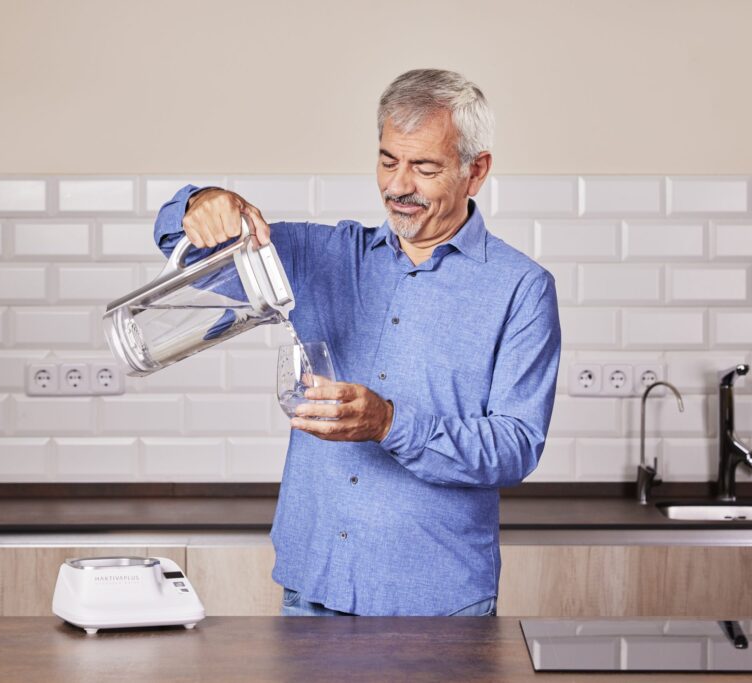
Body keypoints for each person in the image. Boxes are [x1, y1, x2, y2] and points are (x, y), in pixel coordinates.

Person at [152, 69, 561, 617]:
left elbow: (515, 446)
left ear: (476, 170)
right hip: (313, 591)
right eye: (388, 160)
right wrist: (199, 203)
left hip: (437, 606)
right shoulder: (323, 258)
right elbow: (190, 255)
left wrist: (390, 423)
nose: (398, 186)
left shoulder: (521, 290)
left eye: (425, 167)